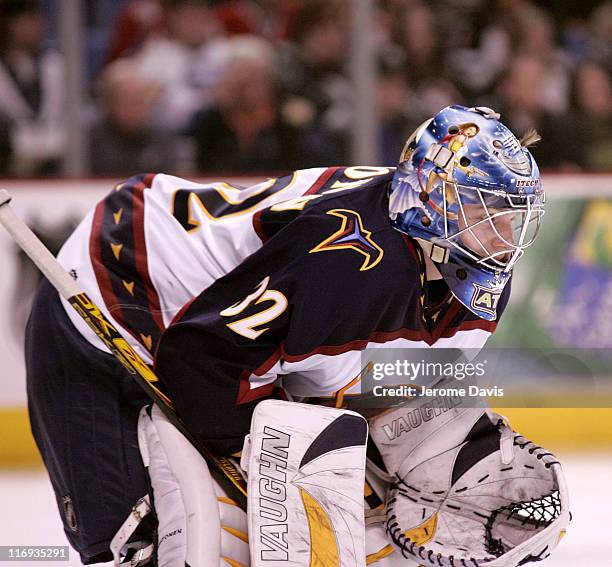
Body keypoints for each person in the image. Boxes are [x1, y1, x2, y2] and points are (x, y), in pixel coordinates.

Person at [25, 106, 552, 565]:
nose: (504, 238)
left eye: (512, 217)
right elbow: (202, 358)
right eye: (484, 212)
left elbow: (367, 389)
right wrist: (264, 470)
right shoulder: (349, 263)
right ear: (430, 197)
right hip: (118, 279)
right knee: (142, 535)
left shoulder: (475, 285)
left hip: (215, 330)